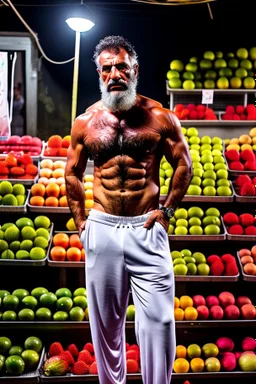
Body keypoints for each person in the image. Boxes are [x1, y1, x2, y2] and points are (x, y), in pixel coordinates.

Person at [65, 35, 192, 384]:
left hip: (146, 227)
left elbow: (184, 166)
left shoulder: (160, 117)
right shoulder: (85, 122)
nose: (115, 74)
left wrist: (166, 211)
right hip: (102, 227)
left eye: (122, 66)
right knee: (105, 325)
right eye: (107, 68)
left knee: (161, 322)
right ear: (99, 73)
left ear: (135, 69)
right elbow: (72, 174)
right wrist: (82, 224)